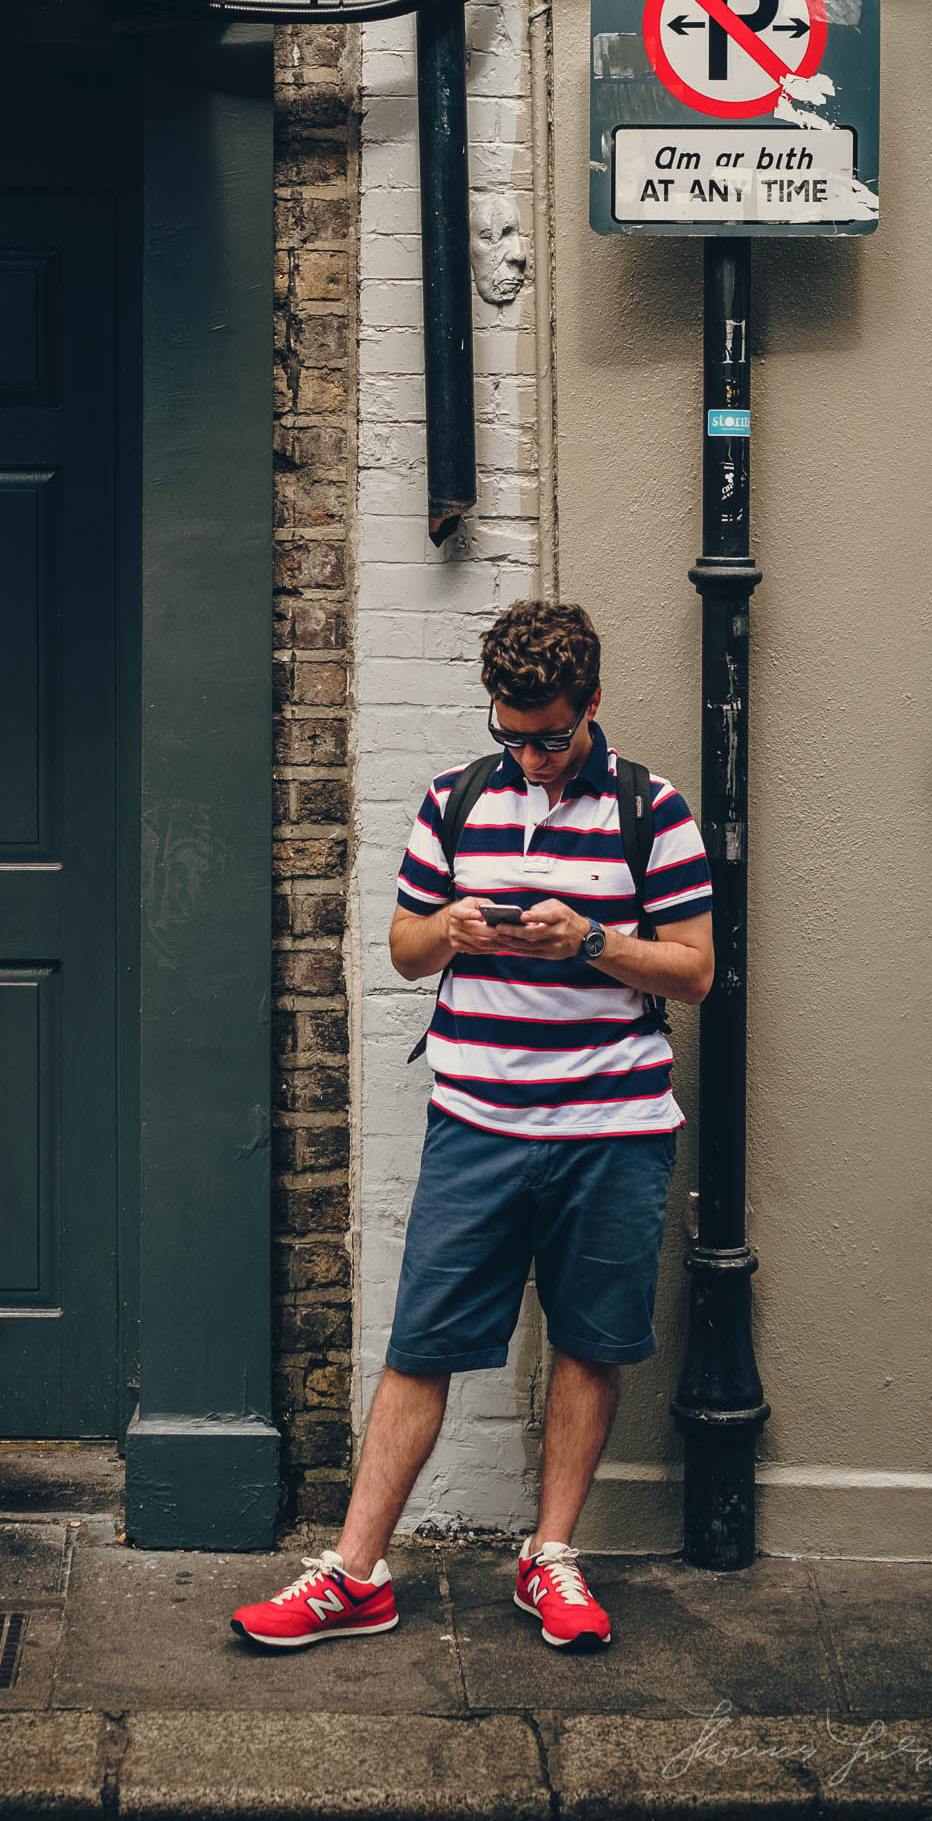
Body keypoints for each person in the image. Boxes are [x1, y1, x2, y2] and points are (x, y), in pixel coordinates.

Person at [231, 599, 714, 1654]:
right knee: (423, 1344)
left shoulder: (652, 810)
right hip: (476, 1124)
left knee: (590, 1343)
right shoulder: (453, 803)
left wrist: (589, 939)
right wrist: (446, 930)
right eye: (512, 734)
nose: (534, 757)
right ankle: (355, 1575)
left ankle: (549, 1560)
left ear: (591, 704)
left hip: (613, 1127)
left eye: (552, 735)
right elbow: (402, 949)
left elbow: (694, 971)